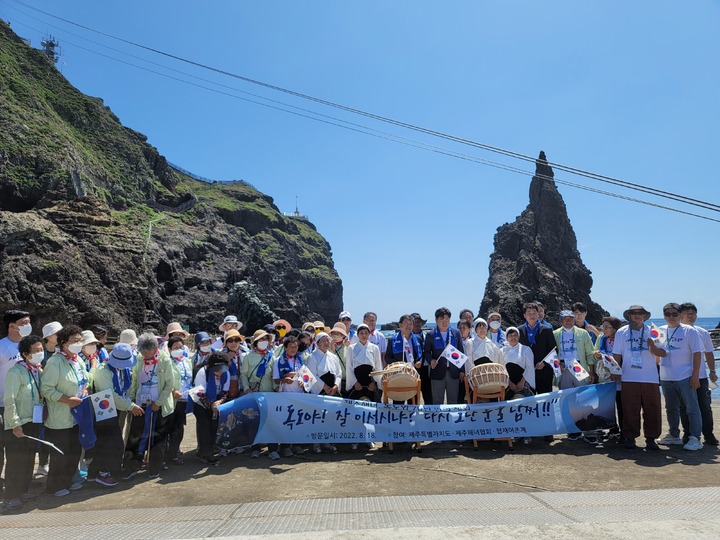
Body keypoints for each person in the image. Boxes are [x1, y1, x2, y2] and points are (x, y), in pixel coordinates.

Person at [40, 324, 89, 496]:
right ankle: (54, 486)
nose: (78, 343)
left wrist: (84, 391)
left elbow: (85, 379)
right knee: (60, 454)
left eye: (79, 340)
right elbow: (46, 389)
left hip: (76, 415)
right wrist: (67, 400)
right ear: (63, 343)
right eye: (74, 340)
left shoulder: (78, 359)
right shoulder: (55, 362)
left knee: (74, 451)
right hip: (59, 417)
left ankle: (68, 481)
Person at [89, 343, 142, 487]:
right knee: (112, 443)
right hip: (104, 409)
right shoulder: (103, 371)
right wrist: (130, 406)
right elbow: (110, 394)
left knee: (107, 442)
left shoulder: (123, 370)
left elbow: (126, 388)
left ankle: (94, 472)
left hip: (117, 409)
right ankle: (106, 472)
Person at [612, 305, 665, 450]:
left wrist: (653, 348)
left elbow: (663, 353)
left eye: (640, 313)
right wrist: (615, 371)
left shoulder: (654, 331)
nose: (637, 315)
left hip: (651, 377)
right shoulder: (621, 333)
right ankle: (630, 438)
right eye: (633, 313)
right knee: (630, 408)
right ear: (628, 316)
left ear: (645, 316)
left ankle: (651, 439)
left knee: (652, 408)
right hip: (629, 376)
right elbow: (617, 354)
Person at [125, 333, 175, 479]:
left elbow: (169, 384)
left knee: (158, 437)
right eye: (142, 351)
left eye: (148, 351)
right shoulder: (139, 359)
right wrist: (132, 398)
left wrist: (159, 403)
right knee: (135, 435)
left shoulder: (165, 360)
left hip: (158, 405)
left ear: (155, 349)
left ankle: (154, 467)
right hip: (141, 404)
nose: (145, 354)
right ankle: (131, 466)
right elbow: (134, 379)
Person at [2, 335, 44, 510]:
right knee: (15, 460)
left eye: (41, 350)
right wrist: (15, 423)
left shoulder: (38, 370)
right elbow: (9, 399)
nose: (40, 353)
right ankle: (11, 495)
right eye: (36, 351)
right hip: (19, 422)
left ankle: (24, 490)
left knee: (28, 458)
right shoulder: (15, 371)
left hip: (34, 420)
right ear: (25, 354)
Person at [656, 302, 704, 451]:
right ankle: (674, 435)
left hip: (684, 375)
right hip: (666, 376)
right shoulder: (660, 330)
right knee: (671, 407)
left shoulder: (689, 331)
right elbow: (658, 353)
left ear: (680, 315)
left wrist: (695, 375)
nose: (671, 317)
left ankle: (695, 437)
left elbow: (697, 353)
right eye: (667, 314)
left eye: (674, 314)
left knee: (692, 407)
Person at [554, 310, 599, 445]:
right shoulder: (555, 334)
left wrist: (591, 371)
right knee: (567, 401)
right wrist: (558, 366)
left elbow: (589, 353)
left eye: (571, 318)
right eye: (565, 319)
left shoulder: (583, 333)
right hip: (564, 369)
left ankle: (589, 432)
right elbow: (553, 353)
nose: (568, 321)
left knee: (585, 400)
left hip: (580, 368)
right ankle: (573, 430)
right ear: (561, 321)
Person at [0, 309, 31, 498]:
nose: (28, 326)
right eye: (24, 322)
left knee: (19, 453)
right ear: (12, 326)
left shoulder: (29, 347)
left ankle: (19, 490)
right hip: (3, 407)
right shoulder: (2, 347)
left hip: (24, 408)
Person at [679, 302, 718, 445]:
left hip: (701, 376)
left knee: (705, 407)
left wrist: (712, 371)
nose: (690, 316)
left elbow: (709, 353)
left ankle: (708, 434)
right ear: (680, 315)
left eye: (693, 313)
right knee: (685, 407)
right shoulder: (676, 332)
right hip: (682, 376)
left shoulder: (702, 332)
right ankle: (688, 434)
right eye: (687, 313)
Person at [242, 330, 278, 459]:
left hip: (269, 393)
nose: (264, 342)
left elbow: (274, 376)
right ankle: (255, 448)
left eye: (266, 339)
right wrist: (246, 389)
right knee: (254, 421)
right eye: (261, 340)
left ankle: (272, 449)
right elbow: (244, 375)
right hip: (253, 394)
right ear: (255, 342)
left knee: (270, 421)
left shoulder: (272, 356)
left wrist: (276, 387)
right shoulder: (248, 356)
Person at [273, 335, 309, 457]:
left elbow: (306, 376)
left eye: (296, 347)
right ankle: (285, 446)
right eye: (291, 347)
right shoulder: (278, 360)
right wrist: (284, 379)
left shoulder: (300, 360)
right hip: (285, 395)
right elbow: (276, 380)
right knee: (287, 421)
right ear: (285, 347)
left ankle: (297, 445)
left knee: (298, 420)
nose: (294, 349)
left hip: (299, 394)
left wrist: (303, 382)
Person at [306, 333, 341, 453]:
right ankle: (316, 443)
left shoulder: (333, 356)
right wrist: (324, 387)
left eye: (328, 340)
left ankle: (328, 441)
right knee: (318, 416)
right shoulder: (312, 357)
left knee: (331, 417)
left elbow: (339, 373)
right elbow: (312, 375)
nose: (326, 343)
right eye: (323, 340)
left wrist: (336, 386)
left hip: (332, 390)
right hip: (320, 390)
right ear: (317, 342)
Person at [193, 352, 230, 465]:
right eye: (217, 369)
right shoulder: (202, 372)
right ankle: (203, 454)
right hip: (201, 403)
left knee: (214, 427)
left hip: (216, 403)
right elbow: (199, 393)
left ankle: (212, 450)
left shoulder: (226, 373)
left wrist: (219, 401)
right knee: (204, 427)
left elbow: (224, 391)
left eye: (221, 369)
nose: (219, 372)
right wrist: (211, 405)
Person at [424, 307, 464, 405]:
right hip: (437, 372)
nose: (445, 322)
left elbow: (460, 352)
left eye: (447, 319)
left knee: (453, 402)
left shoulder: (456, 333)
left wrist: (462, 370)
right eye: (442, 319)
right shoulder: (431, 334)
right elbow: (426, 352)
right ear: (436, 320)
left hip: (454, 373)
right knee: (437, 402)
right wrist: (430, 361)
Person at [593, 316, 623, 440]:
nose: (604, 330)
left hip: (620, 376)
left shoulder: (621, 339)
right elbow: (598, 353)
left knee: (621, 405)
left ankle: (624, 432)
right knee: (608, 405)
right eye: (603, 327)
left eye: (607, 327)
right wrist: (598, 355)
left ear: (615, 329)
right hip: (606, 377)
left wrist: (616, 371)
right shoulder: (602, 339)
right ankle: (613, 429)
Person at [518, 303, 556, 396]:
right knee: (528, 399)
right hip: (526, 372)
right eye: (529, 313)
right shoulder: (519, 330)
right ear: (524, 315)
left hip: (543, 371)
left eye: (534, 313)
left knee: (545, 400)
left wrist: (544, 363)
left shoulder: (546, 330)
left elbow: (554, 350)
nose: (532, 315)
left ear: (538, 314)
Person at [167, 335, 193, 465]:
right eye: (175, 347)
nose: (178, 349)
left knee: (179, 428)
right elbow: (164, 380)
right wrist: (172, 390)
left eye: (180, 347)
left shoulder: (187, 361)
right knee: (168, 427)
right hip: (171, 399)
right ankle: (167, 454)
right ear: (170, 349)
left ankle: (173, 453)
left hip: (184, 399)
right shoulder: (167, 362)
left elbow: (190, 378)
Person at [347, 324, 383, 401]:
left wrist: (374, 383)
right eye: (361, 333)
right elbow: (349, 368)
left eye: (366, 333)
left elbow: (378, 367)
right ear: (357, 335)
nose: (364, 335)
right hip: (357, 381)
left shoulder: (374, 348)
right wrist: (355, 383)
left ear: (369, 334)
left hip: (371, 381)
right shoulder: (351, 348)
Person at [500, 327, 535, 399]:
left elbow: (529, 367)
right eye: (510, 336)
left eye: (515, 335)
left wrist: (522, 382)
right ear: (507, 338)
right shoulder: (502, 351)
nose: (513, 337)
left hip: (523, 382)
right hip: (508, 382)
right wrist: (510, 383)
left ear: (519, 337)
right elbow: (501, 369)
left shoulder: (526, 349)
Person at [411, 313, 432, 405]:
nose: (417, 323)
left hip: (425, 369)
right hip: (412, 369)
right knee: (413, 396)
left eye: (419, 321)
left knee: (428, 395)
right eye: (415, 321)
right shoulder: (407, 338)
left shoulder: (427, 336)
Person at [221, 329, 246, 400]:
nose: (233, 343)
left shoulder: (246, 354)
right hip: (225, 391)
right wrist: (226, 359)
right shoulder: (220, 355)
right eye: (230, 341)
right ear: (226, 343)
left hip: (242, 389)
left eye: (236, 340)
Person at [329, 323, 349, 396]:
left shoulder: (348, 348)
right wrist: (332, 350)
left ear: (343, 336)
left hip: (345, 381)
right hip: (332, 382)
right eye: (333, 333)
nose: (335, 336)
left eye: (338, 334)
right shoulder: (326, 348)